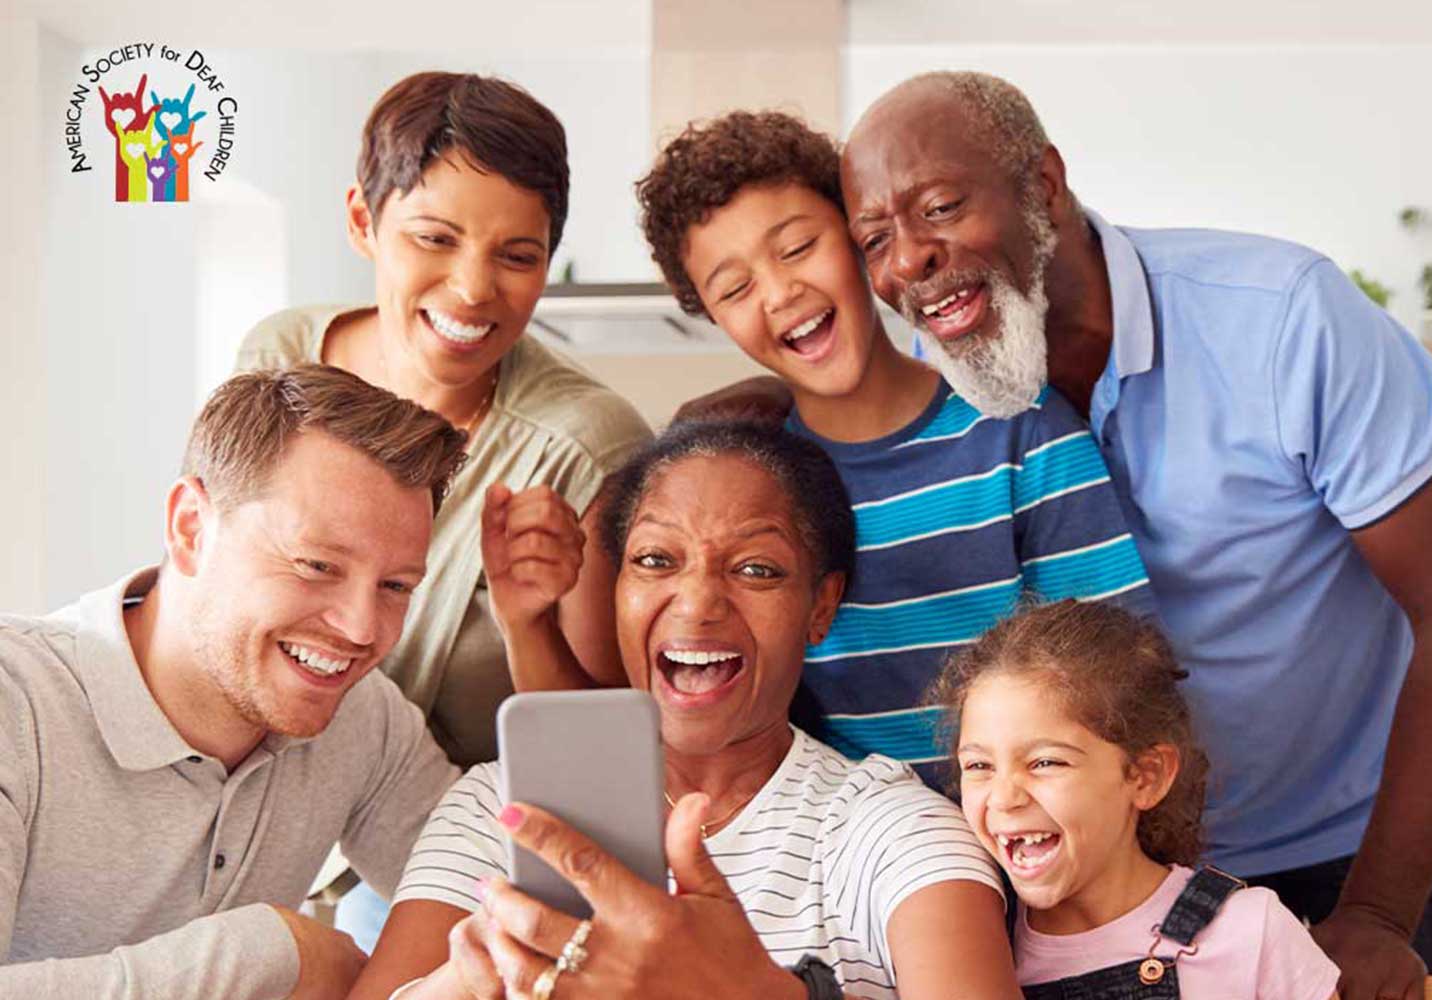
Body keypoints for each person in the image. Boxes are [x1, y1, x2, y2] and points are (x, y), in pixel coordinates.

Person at [835, 70, 1432, 993]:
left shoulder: (1284, 320)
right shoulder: (934, 389)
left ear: (1045, 185)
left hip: (1363, 854)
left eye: (940, 206)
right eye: (875, 239)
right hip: (1107, 880)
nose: (908, 260)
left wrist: (1382, 910)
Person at [348, 421, 1021, 1000]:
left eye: (757, 569)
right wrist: (466, 984)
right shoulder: (497, 808)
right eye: (655, 560)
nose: (698, 602)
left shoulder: (891, 831)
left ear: (820, 606)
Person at [236, 70, 651, 946]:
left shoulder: (580, 444)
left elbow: (596, 750)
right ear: (363, 221)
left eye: (517, 255)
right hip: (254, 810)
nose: (472, 290)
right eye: (434, 237)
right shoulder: (279, 360)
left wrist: (524, 616)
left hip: (449, 853)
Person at [635, 110, 1151, 784]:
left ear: (858, 240)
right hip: (853, 858)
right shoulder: (759, 482)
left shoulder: (1020, 431)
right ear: (712, 315)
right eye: (734, 289)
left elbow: (1122, 674)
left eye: (797, 248)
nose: (781, 292)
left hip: (1033, 842)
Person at [0, 365, 465, 999]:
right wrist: (265, 954)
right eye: (317, 565)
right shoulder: (14, 704)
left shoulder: (364, 719)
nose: (362, 629)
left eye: (396, 587)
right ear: (191, 528)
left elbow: (483, 881)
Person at [934, 599, 1338, 997]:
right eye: (979, 766)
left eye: (1045, 762)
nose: (1004, 797)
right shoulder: (972, 957)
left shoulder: (1250, 932)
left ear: (1146, 777)